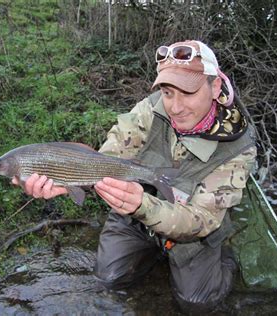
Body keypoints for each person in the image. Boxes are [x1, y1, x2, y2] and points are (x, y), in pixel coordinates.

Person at [13, 40, 257, 313]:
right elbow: (111, 155)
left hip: (193, 231)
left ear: (214, 87)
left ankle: (224, 260)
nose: (175, 107)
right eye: (167, 92)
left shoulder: (238, 147)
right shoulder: (150, 109)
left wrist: (142, 205)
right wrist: (73, 173)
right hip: (135, 217)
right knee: (109, 279)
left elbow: (200, 219)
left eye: (188, 92)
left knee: (196, 304)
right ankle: (154, 250)